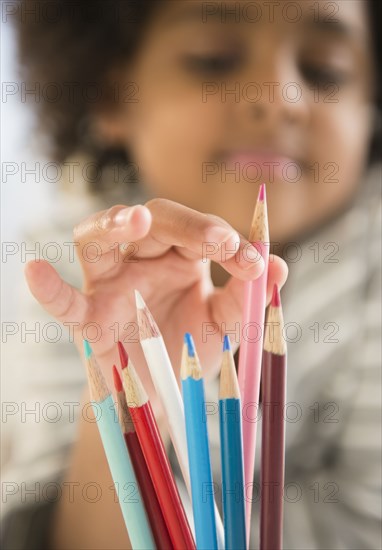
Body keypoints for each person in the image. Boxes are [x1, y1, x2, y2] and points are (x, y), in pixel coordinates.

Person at [2, 1, 381, 548]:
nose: (278, 97)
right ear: (113, 95)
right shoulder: (74, 259)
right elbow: (64, 533)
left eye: (325, 69)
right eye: (213, 60)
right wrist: (134, 390)